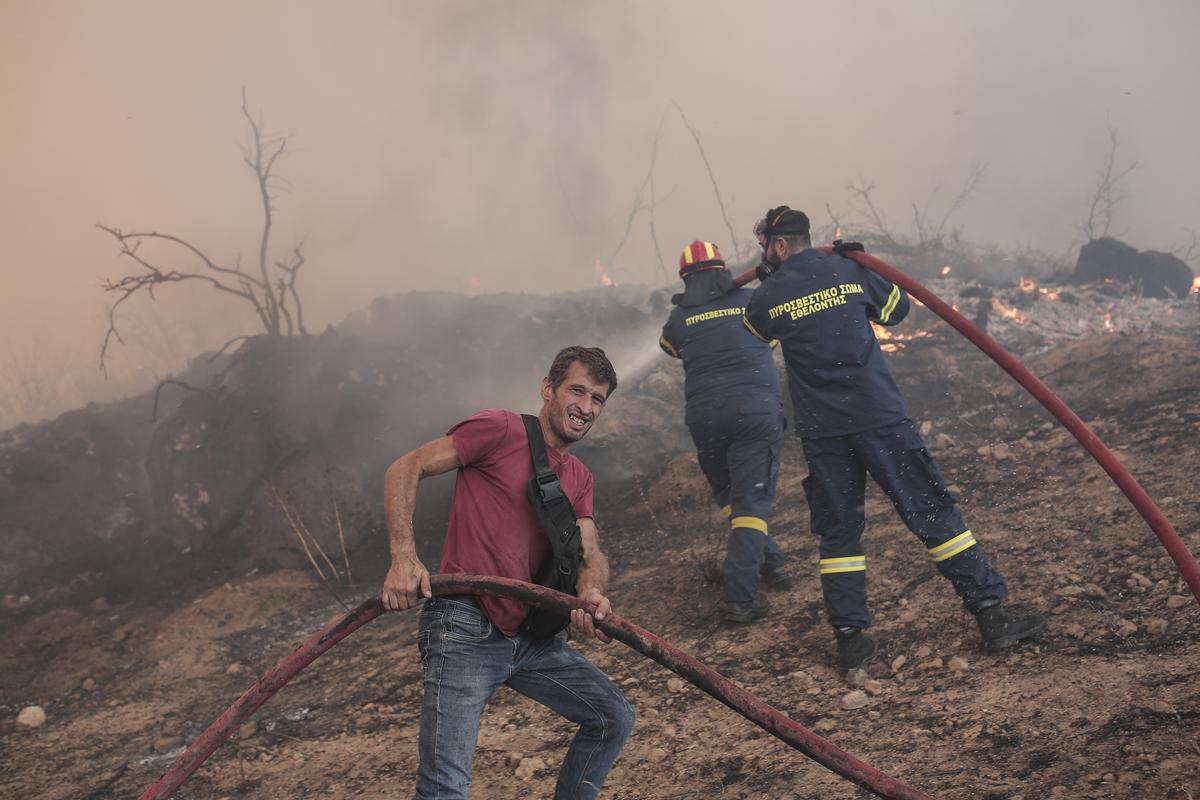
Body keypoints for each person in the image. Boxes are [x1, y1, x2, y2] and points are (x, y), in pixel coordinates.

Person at [742, 206, 1046, 669]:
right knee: (932, 512)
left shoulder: (766, 298)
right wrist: (859, 265)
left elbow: (757, 334)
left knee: (840, 533)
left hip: (824, 433)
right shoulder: (848, 269)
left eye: (765, 245)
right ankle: (991, 614)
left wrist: (774, 283)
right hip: (879, 418)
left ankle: (851, 641)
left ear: (779, 245)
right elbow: (897, 311)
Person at [380, 346, 635, 800]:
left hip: (531, 639)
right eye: (577, 391)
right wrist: (404, 556)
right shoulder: (500, 429)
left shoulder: (579, 477)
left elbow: (589, 551)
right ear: (547, 389)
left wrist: (591, 592)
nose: (585, 407)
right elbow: (406, 467)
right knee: (445, 788)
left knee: (612, 717)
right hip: (466, 626)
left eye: (597, 399)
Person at [659, 240, 793, 624]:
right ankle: (739, 598)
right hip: (754, 412)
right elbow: (772, 336)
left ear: (685, 279)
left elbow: (670, 346)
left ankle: (771, 562)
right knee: (751, 506)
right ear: (723, 270)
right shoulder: (753, 300)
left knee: (732, 498)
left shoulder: (679, 320)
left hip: (705, 417)